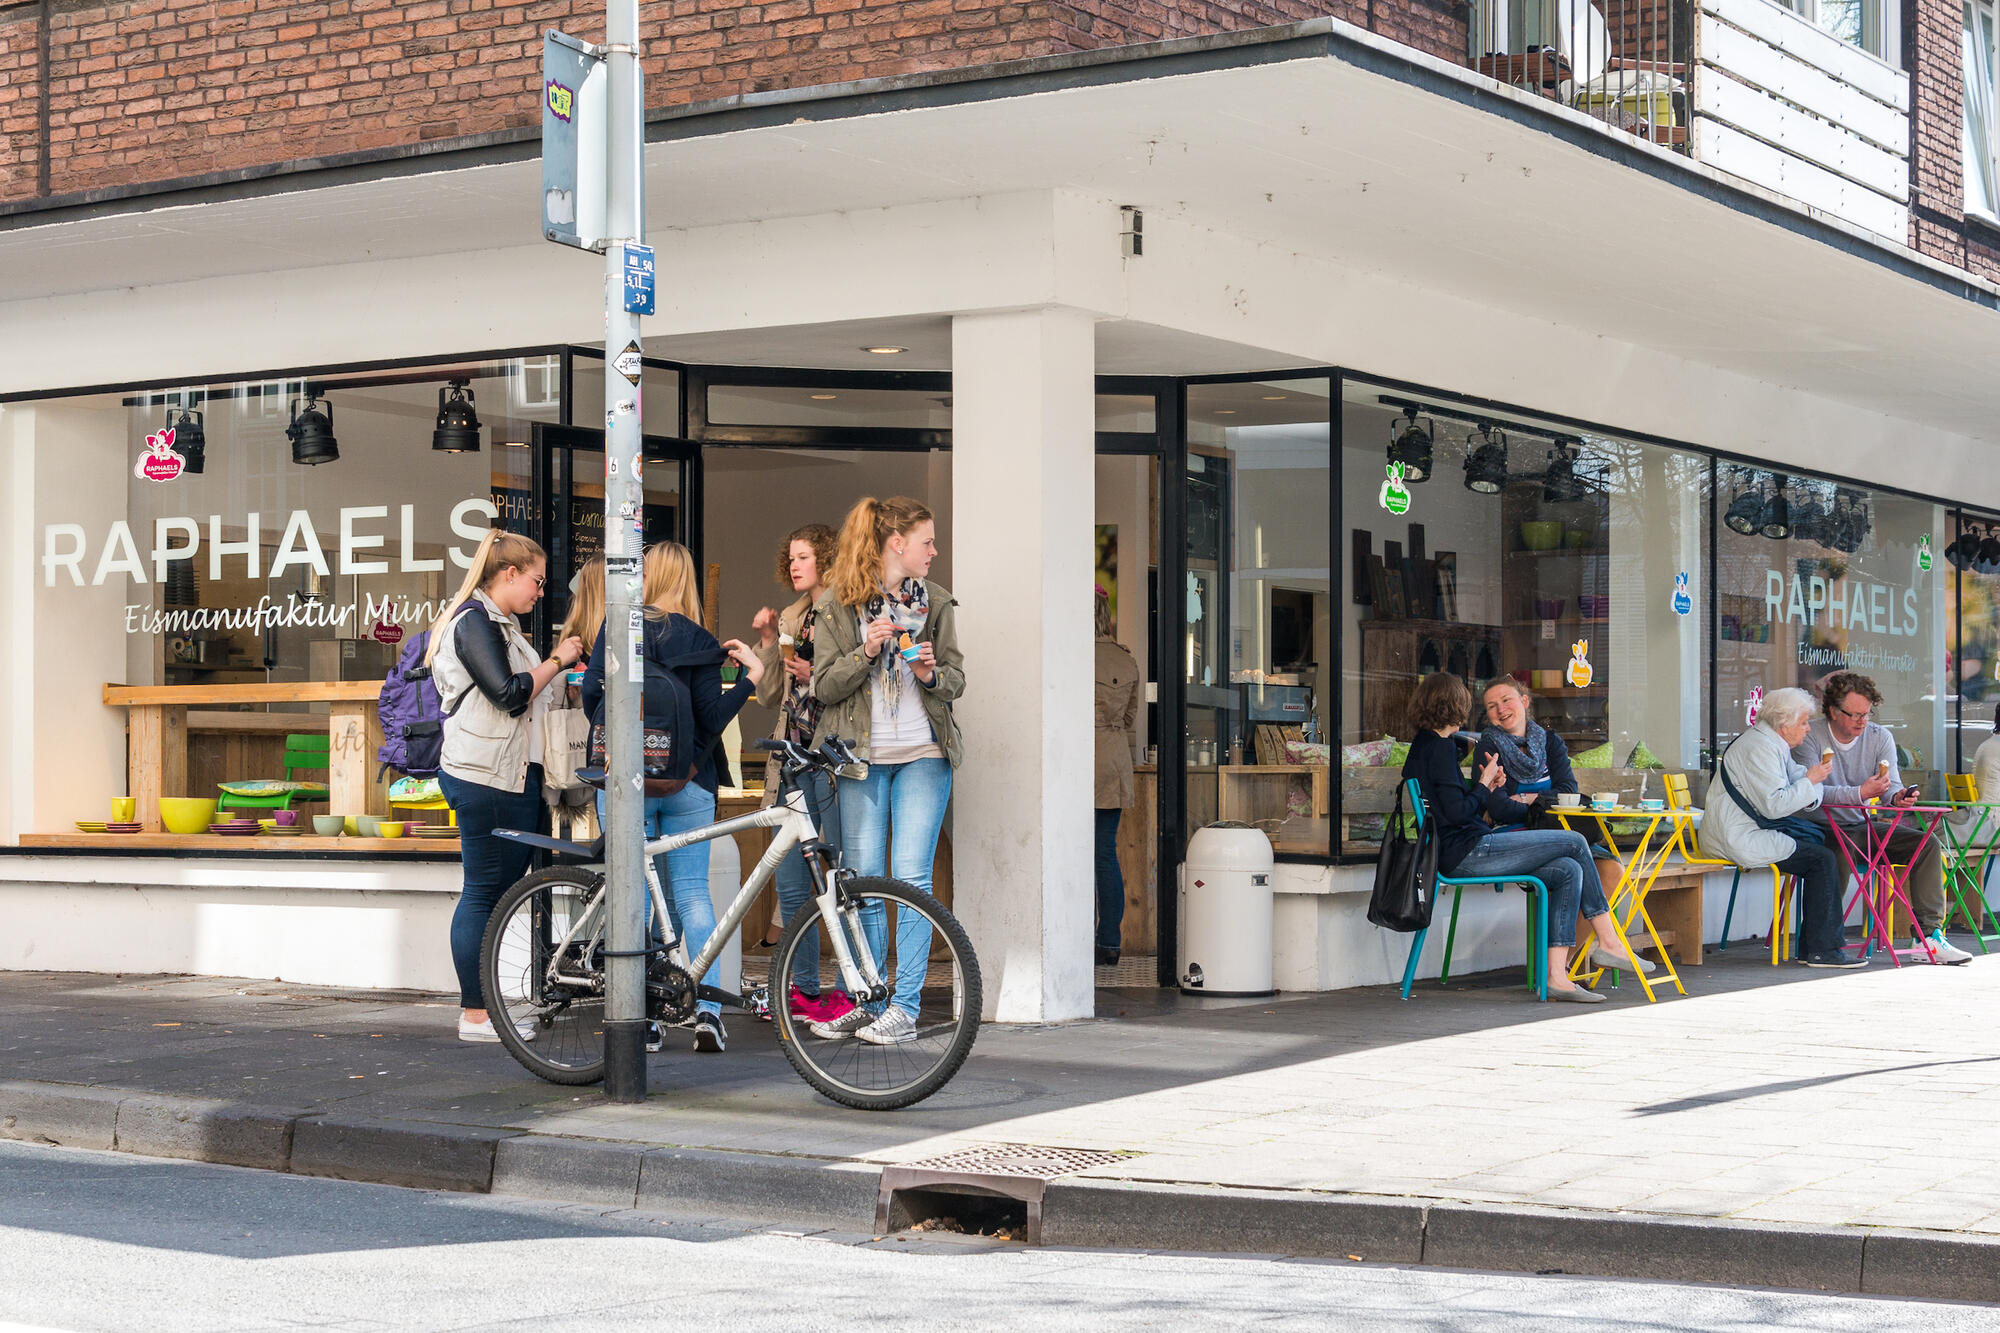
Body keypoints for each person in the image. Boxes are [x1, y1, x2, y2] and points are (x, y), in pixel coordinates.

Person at [581, 541, 765, 1053]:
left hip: (626, 784)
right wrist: (751, 677)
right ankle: (704, 1010)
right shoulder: (701, 640)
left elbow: (592, 697)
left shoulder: (619, 630)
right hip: (690, 782)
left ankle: (643, 1015)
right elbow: (710, 718)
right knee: (692, 896)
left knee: (634, 900)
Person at [807, 495, 965, 1045]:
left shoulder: (937, 603)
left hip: (924, 754)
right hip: (861, 760)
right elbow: (822, 686)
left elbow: (956, 680)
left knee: (911, 882)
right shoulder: (839, 606)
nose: (934, 551)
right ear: (897, 543)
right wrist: (865, 653)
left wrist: (928, 675)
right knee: (865, 885)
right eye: (927, 541)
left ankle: (906, 1008)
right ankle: (871, 999)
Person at [1399, 673, 1648, 1003]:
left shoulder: (1427, 746)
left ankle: (1558, 977)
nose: (1474, 709)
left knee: (1568, 869)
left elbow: (1454, 810)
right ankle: (1610, 942)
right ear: (1454, 705)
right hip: (1467, 852)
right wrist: (1486, 785)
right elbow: (1459, 814)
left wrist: (1489, 787)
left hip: (1466, 847)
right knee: (1575, 841)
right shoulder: (1440, 748)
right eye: (1477, 704)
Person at [427, 528, 586, 1043]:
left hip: (508, 775)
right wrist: (558, 660)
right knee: (482, 893)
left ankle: (487, 1010)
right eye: (537, 581)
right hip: (485, 776)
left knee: (497, 895)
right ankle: (475, 1015)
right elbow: (510, 693)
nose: (541, 592)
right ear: (509, 573)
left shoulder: (501, 624)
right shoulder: (474, 622)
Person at [1471, 677, 1646, 975]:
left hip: (1560, 831)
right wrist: (1542, 806)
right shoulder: (1488, 747)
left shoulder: (1550, 742)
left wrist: (1530, 798)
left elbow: (1570, 792)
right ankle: (1576, 962)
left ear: (1524, 702)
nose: (1501, 709)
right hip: (1516, 837)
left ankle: (1564, 966)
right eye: (1492, 706)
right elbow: (1498, 807)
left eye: (1507, 700)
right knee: (1570, 867)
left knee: (1612, 871)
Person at [749, 522, 853, 1025]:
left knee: (837, 881)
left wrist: (820, 678)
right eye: (790, 557)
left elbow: (856, 682)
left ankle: (853, 988)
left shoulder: (846, 607)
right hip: (789, 762)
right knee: (791, 885)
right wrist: (770, 640)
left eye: (804, 556)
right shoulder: (793, 614)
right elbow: (770, 696)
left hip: (827, 763)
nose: (794, 565)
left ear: (828, 559)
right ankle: (804, 990)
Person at [1792, 672, 1966, 965]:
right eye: (1855, 714)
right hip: (1819, 825)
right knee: (1836, 853)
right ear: (1833, 711)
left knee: (1927, 844)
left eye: (1868, 713)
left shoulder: (1879, 736)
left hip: (1860, 824)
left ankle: (1928, 937)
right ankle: (1823, 943)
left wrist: (1897, 798)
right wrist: (1860, 792)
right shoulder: (1811, 736)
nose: (1863, 721)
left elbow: (1890, 786)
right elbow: (1811, 792)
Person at [1701, 686, 1861, 968]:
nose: (1808, 729)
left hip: (1749, 828)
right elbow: (1775, 805)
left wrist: (1810, 780)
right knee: (1822, 860)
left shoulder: (1772, 743)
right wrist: (1811, 781)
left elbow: (1797, 781)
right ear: (1784, 724)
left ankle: (1814, 946)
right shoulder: (1759, 748)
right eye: (1803, 722)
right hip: (1738, 835)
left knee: (1828, 849)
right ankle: (1822, 949)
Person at [1093, 585, 1140, 968]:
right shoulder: (1126, 660)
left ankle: (1072, 936)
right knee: (1105, 853)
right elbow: (1128, 722)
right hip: (1113, 760)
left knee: (1071, 854)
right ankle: (1109, 941)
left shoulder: (1074, 655)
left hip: (1078, 759)